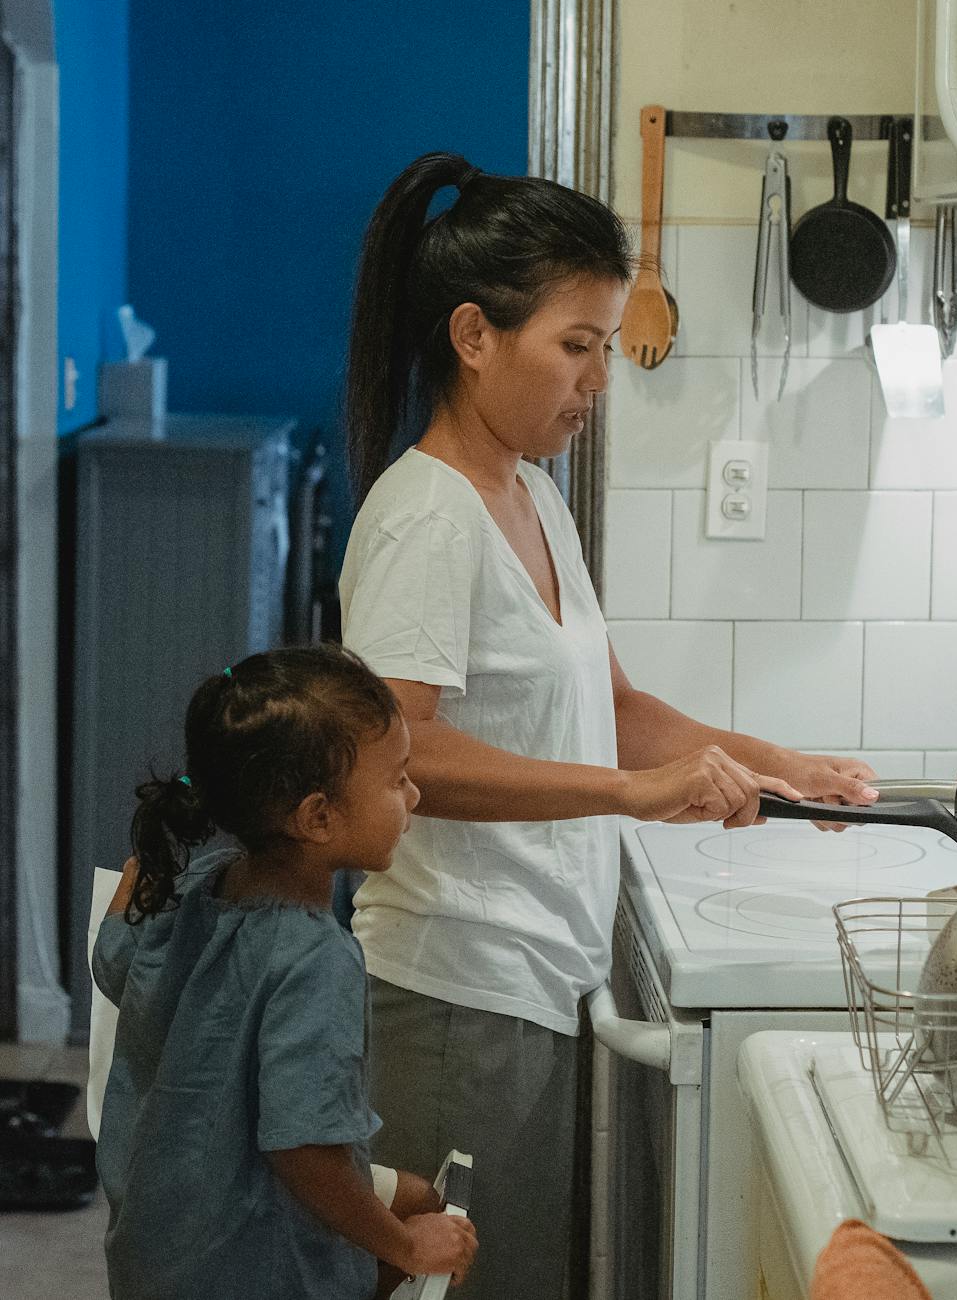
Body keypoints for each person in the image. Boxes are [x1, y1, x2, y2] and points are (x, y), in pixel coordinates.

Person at [339, 151, 878, 1299]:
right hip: (453, 998)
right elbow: (401, 753)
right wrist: (628, 794)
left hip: (529, 984)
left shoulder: (527, 492)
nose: (597, 379)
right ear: (475, 335)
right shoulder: (426, 514)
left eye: (601, 346)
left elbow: (614, 705)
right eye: (574, 346)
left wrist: (780, 766)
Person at [92, 646, 479, 1300]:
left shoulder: (198, 885)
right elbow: (305, 1152)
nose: (413, 795)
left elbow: (115, 964)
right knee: (423, 1221)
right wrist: (406, 1245)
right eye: (397, 780)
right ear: (317, 816)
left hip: (161, 1247)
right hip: (253, 1267)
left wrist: (134, 893)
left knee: (414, 1192)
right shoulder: (313, 959)